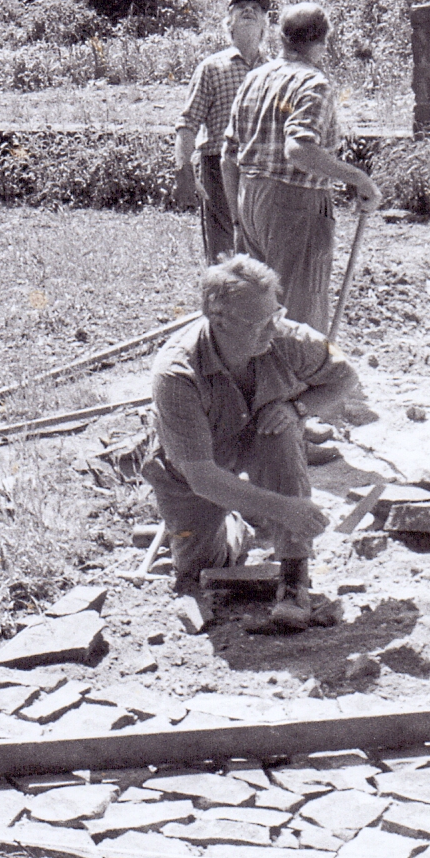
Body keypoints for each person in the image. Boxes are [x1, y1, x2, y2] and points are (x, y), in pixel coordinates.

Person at [141, 254, 358, 630]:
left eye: (276, 315)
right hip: (194, 469)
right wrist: (284, 508)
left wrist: (298, 408)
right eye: (259, 323)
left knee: (280, 432)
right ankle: (238, 524)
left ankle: (294, 579)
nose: (272, 329)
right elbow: (202, 478)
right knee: (203, 572)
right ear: (218, 318)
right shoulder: (175, 373)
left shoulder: (288, 337)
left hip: (260, 442)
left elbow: (345, 376)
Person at [221, 2, 381, 335]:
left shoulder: (254, 77)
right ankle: (298, 370)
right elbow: (299, 149)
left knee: (258, 309)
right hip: (295, 204)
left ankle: (261, 369)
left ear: (281, 37)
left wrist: (237, 218)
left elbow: (228, 155)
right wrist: (358, 178)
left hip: (250, 199)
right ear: (321, 42)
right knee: (299, 315)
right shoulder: (313, 83)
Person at [174, 0, 271, 265]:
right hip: (217, 167)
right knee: (223, 254)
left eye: (256, 8)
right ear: (229, 22)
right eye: (241, 7)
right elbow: (188, 122)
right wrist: (183, 170)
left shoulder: (275, 69)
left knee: (263, 252)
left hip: (264, 170)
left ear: (265, 24)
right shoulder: (211, 68)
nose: (249, 10)